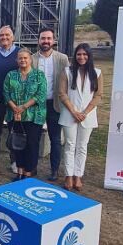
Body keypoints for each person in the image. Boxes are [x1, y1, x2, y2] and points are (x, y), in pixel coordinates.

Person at [58, 43, 103, 191]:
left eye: (84, 54)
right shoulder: (67, 71)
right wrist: (73, 111)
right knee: (70, 145)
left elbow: (98, 96)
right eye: (79, 54)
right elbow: (62, 94)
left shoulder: (97, 73)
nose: (81, 57)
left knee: (82, 147)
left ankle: (78, 175)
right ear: (75, 56)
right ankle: (68, 175)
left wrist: (84, 112)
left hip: (87, 116)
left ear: (89, 56)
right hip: (69, 114)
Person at [3, 48, 47, 180]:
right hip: (14, 115)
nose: (23, 60)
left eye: (25, 58)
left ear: (30, 59)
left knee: (32, 144)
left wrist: (23, 107)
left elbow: (41, 94)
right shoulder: (11, 75)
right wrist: (15, 107)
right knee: (18, 144)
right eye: (20, 58)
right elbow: (5, 93)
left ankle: (29, 171)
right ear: (17, 60)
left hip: (33, 116)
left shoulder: (39, 75)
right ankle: (20, 171)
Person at [32, 28, 69, 181]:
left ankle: (54, 170)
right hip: (36, 104)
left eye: (48, 38)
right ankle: (31, 168)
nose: (45, 41)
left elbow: (67, 81)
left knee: (55, 139)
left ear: (53, 40)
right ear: (38, 40)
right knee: (33, 138)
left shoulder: (62, 59)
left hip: (55, 105)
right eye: (43, 38)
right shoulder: (32, 58)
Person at [0, 25, 19, 172]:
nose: (4, 38)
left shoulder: (20, 53)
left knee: (15, 130)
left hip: (15, 101)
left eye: (7, 35)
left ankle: (15, 161)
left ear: (13, 37)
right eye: (1, 35)